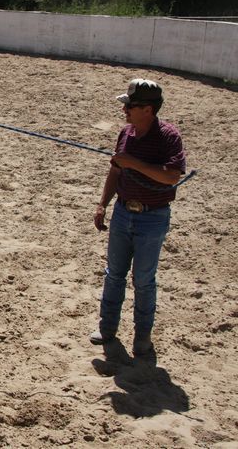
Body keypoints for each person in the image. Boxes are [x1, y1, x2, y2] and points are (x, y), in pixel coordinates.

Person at [91, 78, 186, 355]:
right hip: (123, 212)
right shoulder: (126, 134)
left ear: (148, 109)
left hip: (151, 218)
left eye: (131, 106)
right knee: (114, 274)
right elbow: (115, 171)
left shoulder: (169, 136)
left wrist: (133, 162)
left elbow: (171, 176)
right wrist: (102, 204)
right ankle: (107, 327)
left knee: (143, 280)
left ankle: (142, 337)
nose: (125, 111)